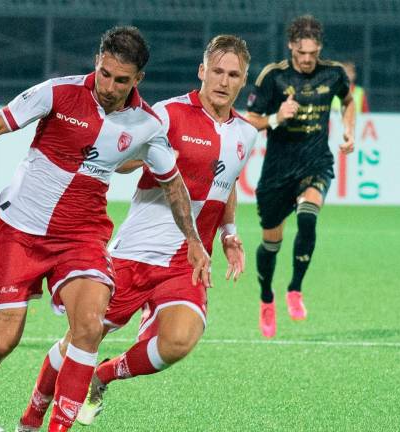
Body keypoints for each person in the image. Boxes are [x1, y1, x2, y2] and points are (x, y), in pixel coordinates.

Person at [0, 26, 208, 432]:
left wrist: (193, 240)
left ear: (138, 80)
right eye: (104, 73)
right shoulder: (57, 93)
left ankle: (54, 427)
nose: (110, 87)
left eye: (121, 80)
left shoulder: (147, 124)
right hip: (21, 231)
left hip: (82, 236)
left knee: (89, 327)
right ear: (96, 63)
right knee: (3, 342)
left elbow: (172, 182)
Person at [15, 34, 257, 431]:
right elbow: (122, 152)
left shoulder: (246, 135)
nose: (223, 81)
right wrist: (146, 155)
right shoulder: (167, 114)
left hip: (185, 261)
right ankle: (33, 415)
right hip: (134, 255)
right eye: (217, 71)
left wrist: (230, 233)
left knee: (180, 340)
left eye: (233, 75)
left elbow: (226, 183)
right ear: (202, 71)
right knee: (80, 338)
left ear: (243, 80)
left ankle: (103, 376)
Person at [245, 15, 355, 338]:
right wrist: (277, 117)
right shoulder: (273, 77)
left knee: (308, 218)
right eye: (300, 53)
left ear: (319, 48)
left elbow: (347, 100)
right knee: (271, 244)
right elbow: (249, 120)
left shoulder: (333, 73)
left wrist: (350, 130)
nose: (306, 60)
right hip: (278, 171)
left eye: (312, 53)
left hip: (315, 163)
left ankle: (295, 289)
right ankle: (267, 298)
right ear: (291, 46)